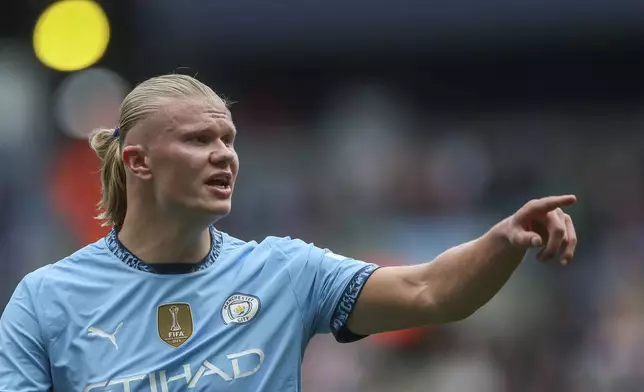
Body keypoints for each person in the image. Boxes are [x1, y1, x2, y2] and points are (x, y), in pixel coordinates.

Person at [0, 74, 578, 392]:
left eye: (229, 140)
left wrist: (503, 239)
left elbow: (431, 292)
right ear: (139, 161)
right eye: (199, 141)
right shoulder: (46, 299)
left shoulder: (285, 273)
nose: (224, 156)